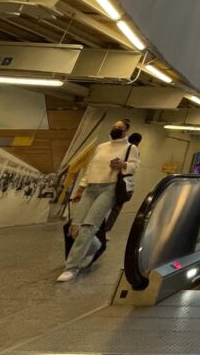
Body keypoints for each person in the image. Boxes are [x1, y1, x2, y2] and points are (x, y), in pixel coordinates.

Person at [56, 119, 139, 282]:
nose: (116, 129)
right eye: (114, 126)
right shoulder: (102, 147)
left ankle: (71, 268)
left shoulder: (130, 148)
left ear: (126, 131)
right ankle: (95, 245)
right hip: (91, 188)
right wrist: (80, 188)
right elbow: (91, 168)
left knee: (88, 227)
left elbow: (135, 166)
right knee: (75, 227)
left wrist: (123, 164)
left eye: (120, 128)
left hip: (109, 188)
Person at [103, 132, 143, 233]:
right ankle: (106, 229)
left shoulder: (121, 148)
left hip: (111, 179)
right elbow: (134, 168)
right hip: (122, 182)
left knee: (106, 205)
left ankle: (101, 227)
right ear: (136, 142)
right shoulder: (134, 150)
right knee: (116, 207)